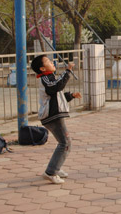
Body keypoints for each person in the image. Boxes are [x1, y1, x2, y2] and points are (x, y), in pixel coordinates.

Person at [31, 55, 82, 184]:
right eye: (48, 61)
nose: (52, 62)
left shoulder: (50, 79)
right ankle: (50, 172)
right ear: (42, 68)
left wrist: (71, 96)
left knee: (64, 143)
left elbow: (57, 95)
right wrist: (67, 71)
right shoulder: (45, 78)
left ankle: (55, 168)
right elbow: (56, 87)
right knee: (65, 143)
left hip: (54, 115)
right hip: (52, 116)